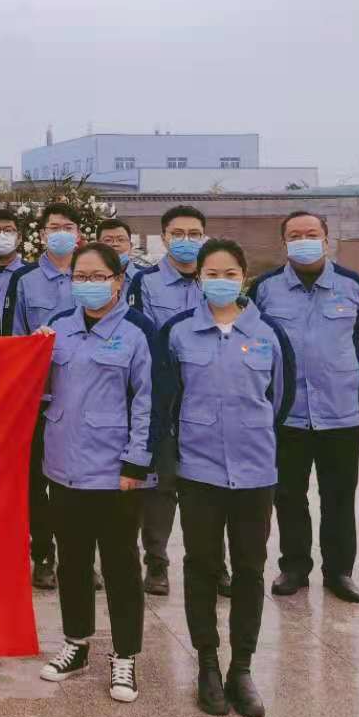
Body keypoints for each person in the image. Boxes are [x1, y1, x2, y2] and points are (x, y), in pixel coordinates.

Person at [156, 239, 294, 717]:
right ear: (199, 278)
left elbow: (281, 400)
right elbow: (166, 401)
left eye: (230, 273)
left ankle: (242, 668)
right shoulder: (178, 333)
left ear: (244, 277)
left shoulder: (269, 333)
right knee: (201, 565)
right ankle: (208, 664)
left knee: (250, 570)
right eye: (211, 273)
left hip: (255, 472)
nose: (220, 281)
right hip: (199, 472)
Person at [35, 242, 156, 704]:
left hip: (115, 472)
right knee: (72, 562)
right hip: (63, 467)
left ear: (118, 281)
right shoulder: (58, 329)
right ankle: (76, 643)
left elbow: (148, 400)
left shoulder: (139, 331)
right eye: (79, 277)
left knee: (121, 564)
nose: (87, 285)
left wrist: (136, 462)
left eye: (97, 276)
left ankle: (124, 655)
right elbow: (34, 382)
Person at [251, 211, 359, 604]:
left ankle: (340, 571)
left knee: (339, 495)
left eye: (311, 233)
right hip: (286, 412)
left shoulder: (354, 286)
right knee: (289, 494)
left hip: (340, 410)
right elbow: (256, 342)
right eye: (295, 235)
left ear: (326, 238)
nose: (303, 240)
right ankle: (294, 567)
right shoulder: (265, 289)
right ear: (284, 242)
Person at [127, 205, 210, 597]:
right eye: (178, 233)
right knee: (159, 483)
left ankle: (213, 563)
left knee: (207, 486)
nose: (186, 241)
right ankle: (156, 562)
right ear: (164, 237)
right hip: (161, 396)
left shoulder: (216, 279)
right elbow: (139, 337)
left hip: (208, 395)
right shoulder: (144, 282)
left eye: (194, 233)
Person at [3, 202, 84, 590]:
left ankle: (80, 556)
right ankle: (43, 555)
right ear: (42, 234)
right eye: (54, 227)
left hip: (85, 396)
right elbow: (14, 339)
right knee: (37, 482)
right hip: (39, 398)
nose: (61, 233)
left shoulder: (92, 274)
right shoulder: (25, 279)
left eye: (68, 226)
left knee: (81, 482)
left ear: (79, 234)